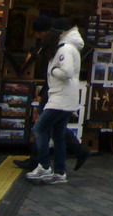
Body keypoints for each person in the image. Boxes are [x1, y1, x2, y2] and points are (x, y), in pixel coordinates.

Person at [14, 16, 90, 172]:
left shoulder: (63, 47)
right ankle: (60, 163)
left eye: (39, 33)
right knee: (55, 129)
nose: (37, 36)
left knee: (42, 127)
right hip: (55, 91)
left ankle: (42, 164)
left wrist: (53, 72)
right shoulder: (60, 45)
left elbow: (65, 71)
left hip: (56, 93)